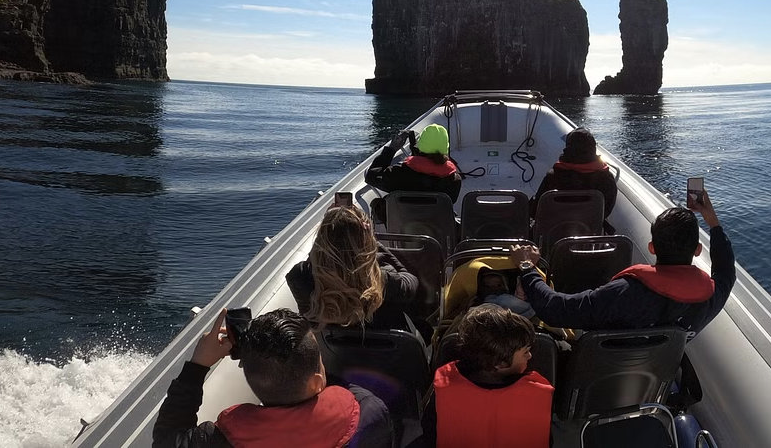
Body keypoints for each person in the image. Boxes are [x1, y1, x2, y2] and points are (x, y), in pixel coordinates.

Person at [152, 307, 393, 448]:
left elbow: (166, 438)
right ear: (318, 379)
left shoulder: (218, 440)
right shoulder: (369, 411)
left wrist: (197, 367)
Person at [510, 191, 734, 336]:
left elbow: (554, 310)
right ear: (697, 250)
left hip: (597, 384)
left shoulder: (624, 293)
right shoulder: (709, 298)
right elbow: (725, 270)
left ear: (652, 248)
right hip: (653, 385)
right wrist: (712, 221)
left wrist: (527, 267)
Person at [420, 304, 554, 448]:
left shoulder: (444, 389)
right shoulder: (538, 393)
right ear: (500, 363)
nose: (530, 356)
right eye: (525, 352)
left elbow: (429, 434)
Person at [287, 204, 422, 333]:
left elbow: (314, 261)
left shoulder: (299, 278)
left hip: (335, 355)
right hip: (385, 354)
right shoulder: (382, 280)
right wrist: (373, 244)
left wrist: (328, 230)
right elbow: (411, 280)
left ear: (321, 241)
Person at [365, 123, 463, 209]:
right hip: (436, 228)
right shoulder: (454, 181)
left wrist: (391, 149)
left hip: (402, 227)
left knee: (377, 203)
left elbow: (371, 176)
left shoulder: (399, 174)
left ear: (421, 146)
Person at [529, 127, 618, 219]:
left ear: (568, 148)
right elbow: (607, 209)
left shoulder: (553, 176)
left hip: (554, 230)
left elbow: (535, 209)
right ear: (593, 148)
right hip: (590, 230)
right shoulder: (606, 177)